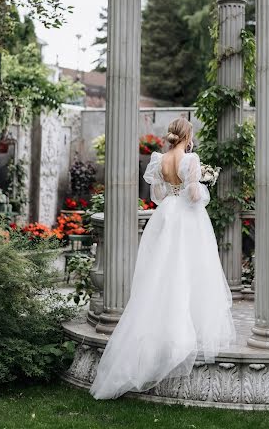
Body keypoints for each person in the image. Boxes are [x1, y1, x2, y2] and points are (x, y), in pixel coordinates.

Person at [89, 117, 235, 400]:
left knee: (163, 273)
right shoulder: (190, 159)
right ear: (187, 135)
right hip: (188, 218)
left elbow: (157, 195)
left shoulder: (160, 159)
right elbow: (194, 195)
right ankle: (183, 331)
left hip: (166, 214)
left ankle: (161, 327)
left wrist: (175, 191)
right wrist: (203, 185)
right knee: (190, 269)